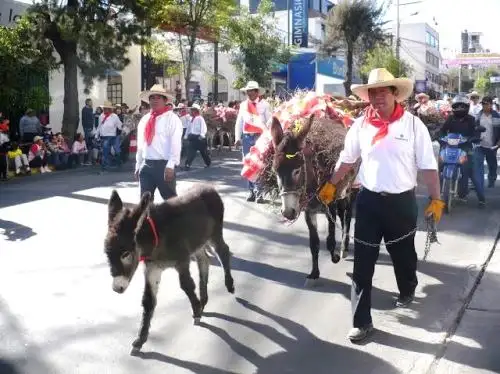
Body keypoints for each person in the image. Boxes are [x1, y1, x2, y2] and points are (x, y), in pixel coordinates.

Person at [318, 68, 444, 342]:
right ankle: (361, 322)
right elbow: (347, 158)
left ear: (395, 94)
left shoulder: (413, 125)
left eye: (382, 92)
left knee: (403, 256)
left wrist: (436, 198)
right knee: (363, 263)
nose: (377, 98)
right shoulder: (361, 125)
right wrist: (332, 183)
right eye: (372, 93)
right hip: (369, 201)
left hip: (402, 202)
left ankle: (408, 287)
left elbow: (428, 166)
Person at [135, 84, 183, 201]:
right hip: (146, 165)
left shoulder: (172, 119)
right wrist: (138, 164)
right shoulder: (145, 119)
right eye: (152, 98)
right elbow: (141, 144)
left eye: (158, 97)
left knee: (171, 204)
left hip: (164, 165)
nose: (155, 100)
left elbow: (175, 143)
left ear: (165, 100)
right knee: (144, 204)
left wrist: (171, 165)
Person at [439, 95, 483, 204]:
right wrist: (439, 136)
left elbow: (476, 131)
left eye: (462, 106)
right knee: (439, 167)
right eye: (457, 106)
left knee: (470, 171)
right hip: (451, 146)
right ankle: (435, 193)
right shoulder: (450, 118)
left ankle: (481, 197)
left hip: (466, 146)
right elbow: (443, 130)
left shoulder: (471, 119)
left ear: (467, 107)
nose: (459, 108)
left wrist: (474, 138)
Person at [234, 81, 272, 203]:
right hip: (246, 137)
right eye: (247, 91)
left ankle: (259, 192)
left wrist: (268, 138)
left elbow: (269, 122)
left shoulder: (264, 105)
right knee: (248, 164)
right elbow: (239, 122)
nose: (249, 93)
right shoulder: (243, 105)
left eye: (251, 91)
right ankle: (250, 191)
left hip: (259, 137)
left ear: (257, 92)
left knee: (259, 164)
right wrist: (237, 138)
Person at [473, 96, 500, 196]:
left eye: (486, 104)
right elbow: (474, 127)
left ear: (491, 104)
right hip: (479, 144)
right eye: (483, 104)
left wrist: (499, 142)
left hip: (492, 144)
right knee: (477, 164)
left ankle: (492, 179)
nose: (484, 106)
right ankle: (478, 183)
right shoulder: (479, 115)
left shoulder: (496, 115)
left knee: (492, 164)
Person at [95, 100, 123, 171]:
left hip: (112, 136)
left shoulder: (114, 116)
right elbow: (99, 126)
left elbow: (119, 125)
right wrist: (96, 135)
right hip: (104, 136)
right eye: (105, 108)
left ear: (110, 109)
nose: (105, 109)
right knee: (105, 152)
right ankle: (104, 167)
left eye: (107, 108)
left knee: (116, 151)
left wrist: (122, 128)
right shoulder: (101, 116)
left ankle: (118, 163)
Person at [183, 103, 211, 170]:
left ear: (195, 111)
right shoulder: (191, 119)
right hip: (192, 137)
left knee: (204, 153)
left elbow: (204, 128)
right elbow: (188, 128)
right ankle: (187, 165)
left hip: (199, 138)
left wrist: (201, 135)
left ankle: (208, 163)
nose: (190, 111)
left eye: (191, 110)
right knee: (191, 152)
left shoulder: (200, 118)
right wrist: (186, 136)